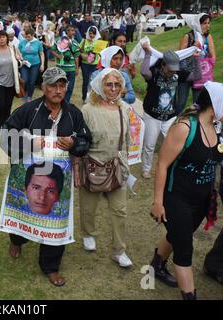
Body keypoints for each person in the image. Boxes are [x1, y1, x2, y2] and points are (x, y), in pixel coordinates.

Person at [0, 67, 91, 287]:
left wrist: (75, 143)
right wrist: (28, 144)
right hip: (31, 177)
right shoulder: (29, 110)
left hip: (56, 182)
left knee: (56, 222)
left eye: (62, 85)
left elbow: (87, 141)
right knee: (23, 210)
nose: (58, 90)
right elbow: (5, 135)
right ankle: (17, 240)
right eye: (53, 85)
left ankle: (50, 266)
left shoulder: (73, 114)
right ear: (44, 87)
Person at [150, 82, 223, 300]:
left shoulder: (218, 128)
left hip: (202, 200)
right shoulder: (185, 127)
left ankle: (157, 265)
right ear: (217, 104)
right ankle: (190, 296)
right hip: (176, 198)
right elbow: (162, 164)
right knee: (184, 251)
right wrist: (157, 202)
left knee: (177, 236)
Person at [76, 68, 132, 268]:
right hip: (93, 167)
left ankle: (119, 250)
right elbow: (79, 141)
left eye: (118, 85)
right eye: (109, 84)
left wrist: (126, 164)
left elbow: (126, 140)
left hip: (117, 167)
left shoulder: (124, 108)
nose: (114, 89)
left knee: (120, 211)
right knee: (88, 208)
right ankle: (88, 234)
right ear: (100, 85)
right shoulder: (88, 110)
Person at [140, 45, 195, 179]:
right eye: (170, 69)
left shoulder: (177, 74)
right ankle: (146, 169)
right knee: (149, 144)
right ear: (163, 65)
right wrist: (147, 54)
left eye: (174, 70)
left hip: (170, 116)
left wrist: (197, 59)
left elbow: (196, 76)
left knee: (175, 143)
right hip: (152, 116)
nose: (172, 72)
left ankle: (170, 167)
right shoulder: (154, 73)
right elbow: (144, 72)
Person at [178, 13, 216, 112]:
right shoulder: (188, 36)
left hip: (200, 75)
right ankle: (175, 123)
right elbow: (179, 56)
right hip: (186, 74)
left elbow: (213, 56)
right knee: (181, 103)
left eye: (208, 23)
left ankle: (194, 125)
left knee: (197, 104)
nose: (207, 25)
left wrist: (209, 68)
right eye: (204, 23)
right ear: (197, 24)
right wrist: (192, 47)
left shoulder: (208, 37)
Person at [0, 30, 21, 133]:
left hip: (11, 83)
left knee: (8, 107)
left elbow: (19, 63)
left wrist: (19, 60)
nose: (1, 39)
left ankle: (6, 127)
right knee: (0, 106)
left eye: (3, 37)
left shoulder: (13, 49)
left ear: (7, 38)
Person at [51, 36, 80, 104]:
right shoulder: (58, 40)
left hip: (71, 69)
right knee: (59, 86)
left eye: (73, 30)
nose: (71, 32)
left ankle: (66, 103)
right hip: (60, 68)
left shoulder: (74, 43)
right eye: (69, 30)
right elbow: (52, 50)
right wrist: (57, 55)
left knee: (70, 87)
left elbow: (76, 56)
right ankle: (59, 101)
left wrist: (77, 67)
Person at [18, 28, 44, 103]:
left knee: (32, 81)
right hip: (24, 64)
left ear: (33, 35)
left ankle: (29, 95)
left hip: (35, 64)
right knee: (25, 80)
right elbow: (18, 51)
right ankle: (25, 92)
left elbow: (41, 54)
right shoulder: (22, 42)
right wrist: (20, 58)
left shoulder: (37, 43)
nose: (27, 38)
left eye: (29, 37)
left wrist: (42, 64)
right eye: (26, 36)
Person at [79, 26, 100, 104]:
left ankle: (92, 98)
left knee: (93, 81)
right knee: (86, 81)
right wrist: (82, 54)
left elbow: (101, 52)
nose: (92, 35)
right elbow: (79, 49)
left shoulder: (98, 42)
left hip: (95, 64)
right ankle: (84, 98)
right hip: (85, 64)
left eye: (94, 34)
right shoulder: (84, 41)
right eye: (90, 33)